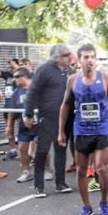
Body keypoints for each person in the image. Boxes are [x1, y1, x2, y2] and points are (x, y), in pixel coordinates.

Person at [58, 44, 108, 215]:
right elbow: (66, 105)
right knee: (81, 170)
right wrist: (61, 131)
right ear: (79, 60)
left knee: (101, 167)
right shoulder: (73, 80)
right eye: (86, 57)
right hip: (81, 129)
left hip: (101, 127)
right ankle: (86, 207)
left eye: (92, 57)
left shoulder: (105, 77)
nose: (90, 61)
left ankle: (104, 203)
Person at [24, 44, 74, 196]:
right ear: (57, 57)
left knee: (61, 149)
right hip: (48, 115)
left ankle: (60, 183)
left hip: (65, 116)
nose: (69, 57)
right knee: (43, 149)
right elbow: (33, 91)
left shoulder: (70, 72)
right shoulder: (44, 70)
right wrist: (29, 113)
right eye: (66, 55)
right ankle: (39, 185)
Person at [11, 68, 37, 183]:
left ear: (24, 76)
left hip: (39, 125)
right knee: (22, 148)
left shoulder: (37, 89)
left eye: (17, 76)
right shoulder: (17, 92)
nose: (14, 79)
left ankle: (47, 169)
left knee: (40, 149)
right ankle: (26, 172)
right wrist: (9, 126)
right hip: (23, 126)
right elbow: (12, 110)